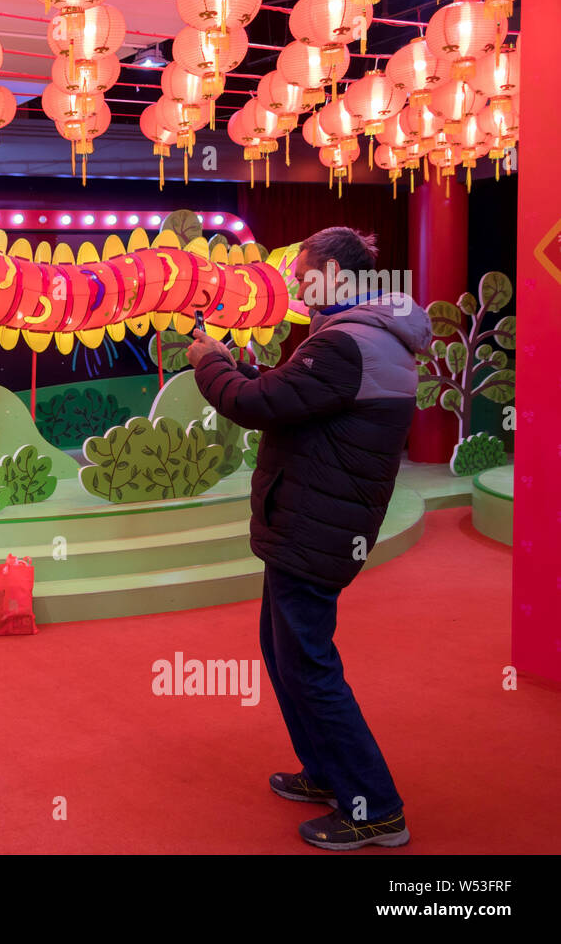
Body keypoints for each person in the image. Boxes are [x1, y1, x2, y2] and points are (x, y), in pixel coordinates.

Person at [186, 227, 431, 850]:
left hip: (315, 527)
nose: (295, 283)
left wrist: (210, 362)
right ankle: (328, 773)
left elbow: (256, 404)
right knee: (284, 651)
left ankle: (375, 806)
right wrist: (240, 367)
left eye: (304, 271)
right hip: (310, 521)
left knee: (310, 665)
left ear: (336, 275)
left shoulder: (346, 344)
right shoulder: (357, 339)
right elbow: (289, 395)